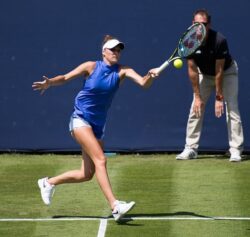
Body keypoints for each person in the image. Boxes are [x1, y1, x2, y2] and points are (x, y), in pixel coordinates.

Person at [32, 35, 158, 221]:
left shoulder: (123, 70)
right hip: (80, 119)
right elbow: (65, 77)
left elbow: (143, 83)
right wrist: (50, 82)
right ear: (103, 52)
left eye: (119, 50)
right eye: (113, 49)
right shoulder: (91, 66)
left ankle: (48, 182)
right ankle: (115, 206)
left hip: (97, 126)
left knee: (87, 174)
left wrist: (150, 75)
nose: (117, 52)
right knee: (101, 159)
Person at [176, 9, 244, 162]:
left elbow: (219, 70)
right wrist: (197, 96)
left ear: (209, 25)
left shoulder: (219, 40)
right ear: (192, 24)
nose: (199, 27)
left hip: (226, 73)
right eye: (196, 24)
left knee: (232, 108)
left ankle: (235, 150)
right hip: (204, 75)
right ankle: (191, 148)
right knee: (196, 107)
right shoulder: (188, 42)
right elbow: (192, 70)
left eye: (203, 24)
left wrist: (219, 97)